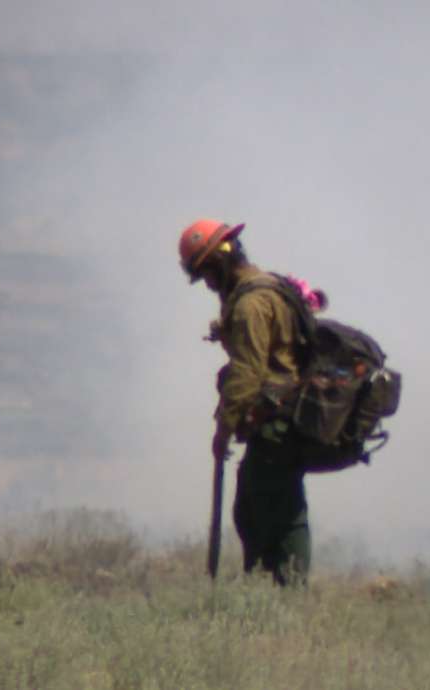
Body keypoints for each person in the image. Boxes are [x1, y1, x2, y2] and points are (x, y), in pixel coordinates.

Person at [178, 218, 311, 585]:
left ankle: (285, 594)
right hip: (281, 421)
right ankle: (269, 587)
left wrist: (223, 430)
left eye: (206, 274)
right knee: (255, 510)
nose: (207, 284)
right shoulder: (264, 289)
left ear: (218, 263)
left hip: (277, 423)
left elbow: (247, 374)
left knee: (273, 510)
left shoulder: (250, 304)